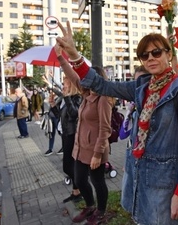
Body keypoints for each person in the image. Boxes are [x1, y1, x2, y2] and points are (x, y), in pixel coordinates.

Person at [56, 25, 178, 225]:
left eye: (156, 52)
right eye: (144, 55)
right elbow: (101, 85)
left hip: (164, 183)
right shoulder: (141, 87)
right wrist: (74, 55)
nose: (150, 58)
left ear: (168, 54)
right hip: (139, 175)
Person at [55, 44, 113, 224]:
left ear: (98, 79)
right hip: (80, 148)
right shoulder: (86, 93)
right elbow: (73, 76)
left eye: (89, 78)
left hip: (95, 149)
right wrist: (61, 58)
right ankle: (90, 206)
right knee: (79, 179)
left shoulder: (103, 98)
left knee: (97, 182)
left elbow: (105, 128)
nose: (85, 80)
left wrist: (97, 154)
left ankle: (101, 211)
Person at [50, 75, 83, 204]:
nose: (63, 86)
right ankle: (76, 191)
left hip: (73, 135)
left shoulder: (76, 97)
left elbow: (74, 113)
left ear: (72, 85)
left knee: (68, 167)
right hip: (66, 134)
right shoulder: (67, 99)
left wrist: (67, 98)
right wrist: (53, 105)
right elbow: (61, 116)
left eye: (65, 84)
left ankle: (82, 185)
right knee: (70, 166)